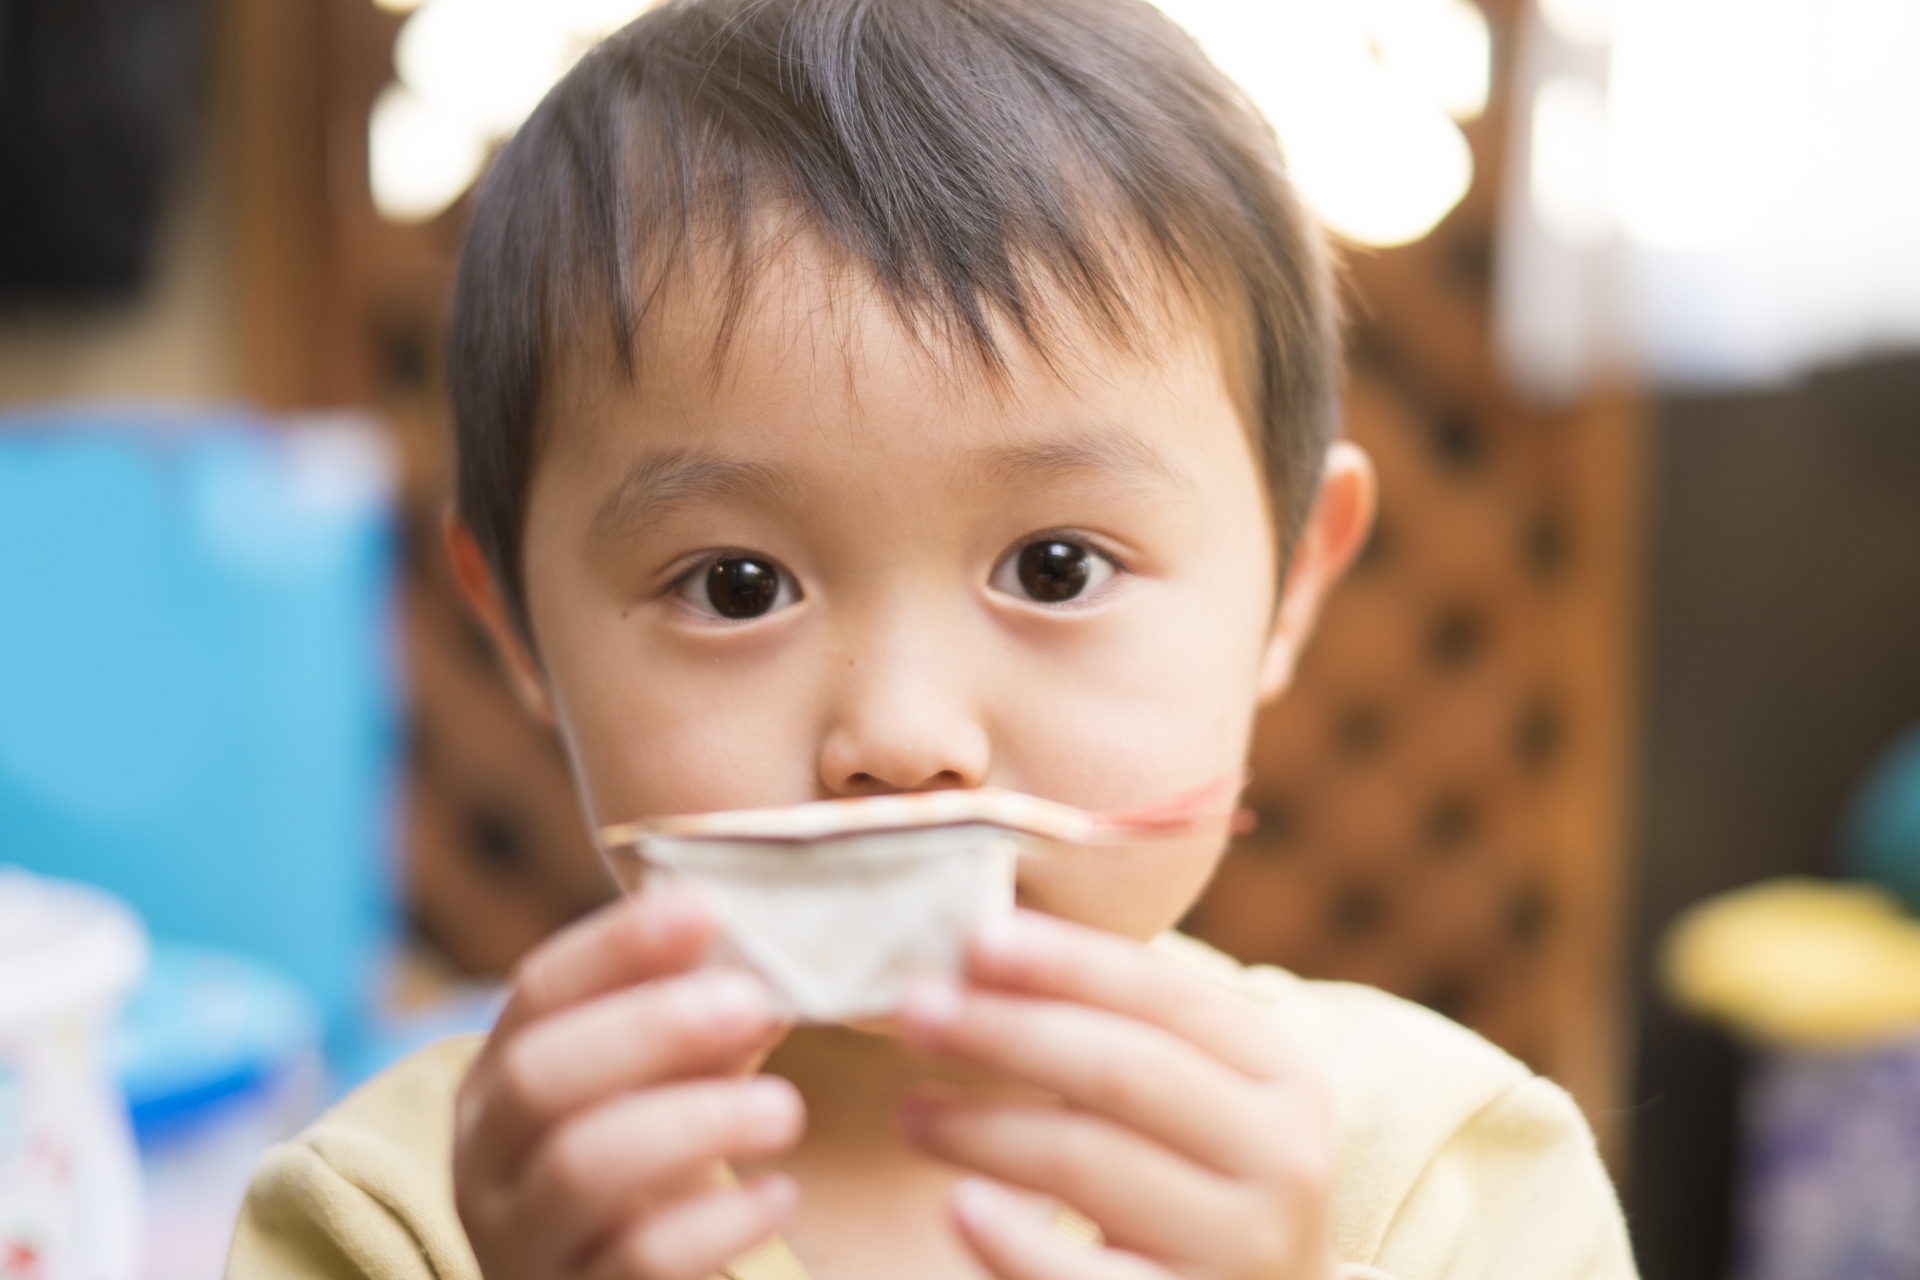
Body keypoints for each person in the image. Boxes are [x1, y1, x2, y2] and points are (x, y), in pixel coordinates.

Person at [227, 0, 1635, 1277]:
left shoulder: (1445, 1187)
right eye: (733, 585)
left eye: (1057, 565)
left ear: (1292, 584)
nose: (902, 737)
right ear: (519, 632)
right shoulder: (403, 1219)